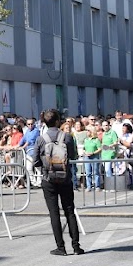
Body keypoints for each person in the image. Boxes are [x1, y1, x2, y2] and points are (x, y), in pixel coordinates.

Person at [38, 110, 84, 256]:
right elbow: (73, 155)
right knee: (69, 211)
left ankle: (60, 247)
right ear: (58, 121)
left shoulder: (41, 139)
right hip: (65, 178)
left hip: (48, 179)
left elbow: (35, 161)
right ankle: (76, 246)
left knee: (54, 213)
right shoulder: (67, 137)